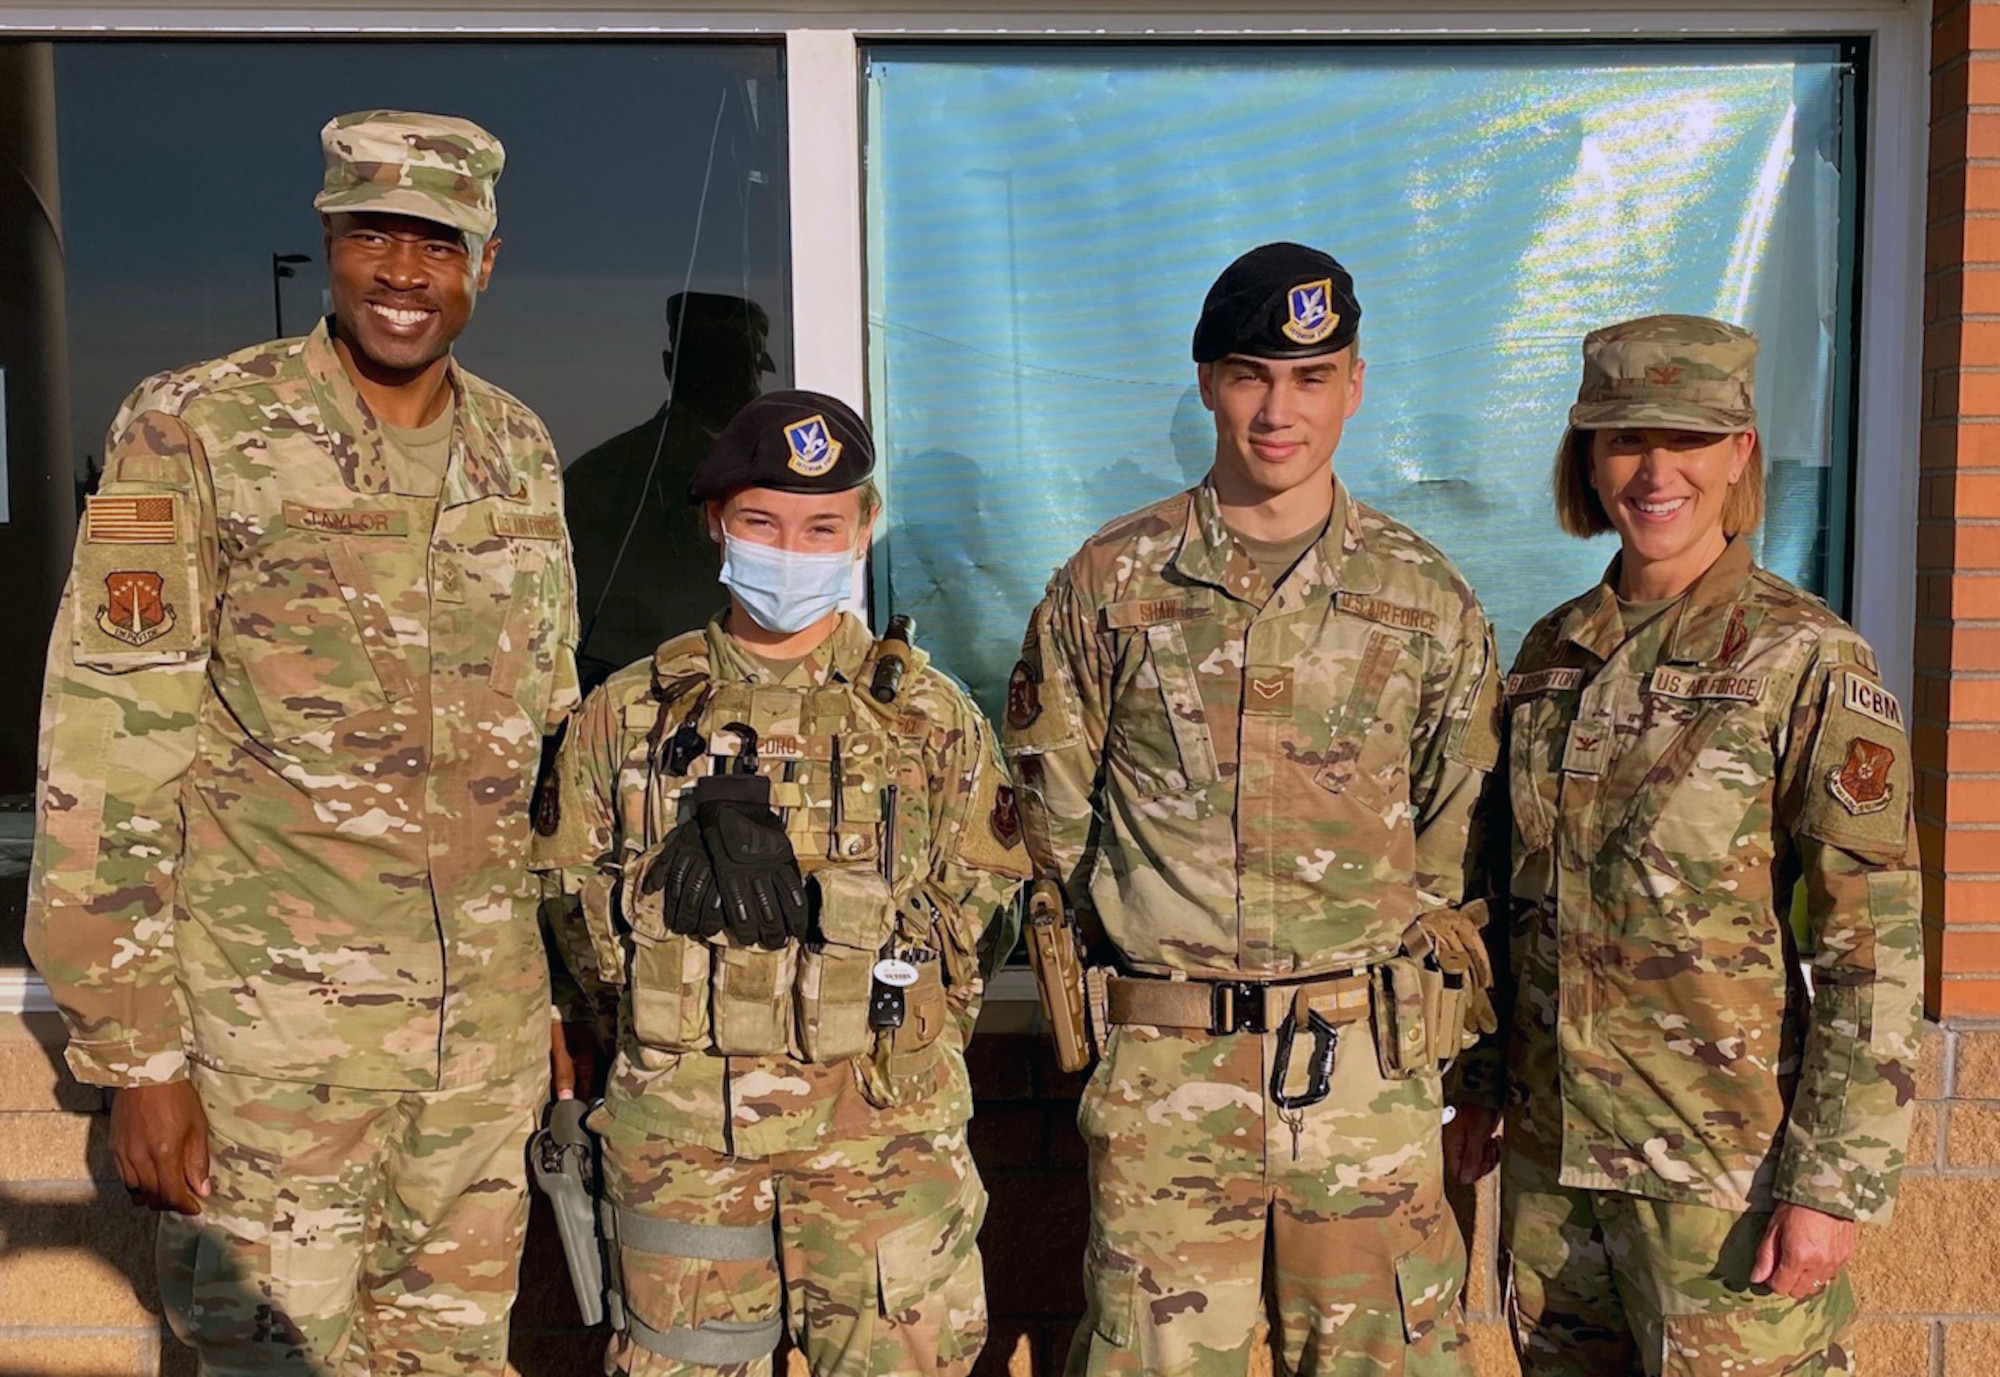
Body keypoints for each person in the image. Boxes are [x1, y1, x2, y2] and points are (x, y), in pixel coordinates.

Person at [24, 109, 578, 1375]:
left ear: (485, 262)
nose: (402, 270)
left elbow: (533, 745)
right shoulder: (197, 428)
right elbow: (109, 749)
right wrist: (135, 1057)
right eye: (372, 231)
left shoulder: (519, 453)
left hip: (478, 1055)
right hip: (277, 1053)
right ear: (327, 239)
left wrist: (544, 978)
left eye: (436, 242)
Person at [1004, 241, 1501, 1377]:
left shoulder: (1423, 599)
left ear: (1354, 385)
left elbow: (1458, 837)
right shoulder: (1110, 586)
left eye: (1311, 376)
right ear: (1207, 383)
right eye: (1248, 374)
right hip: (1167, 1079)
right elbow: (1053, 831)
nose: (1278, 410)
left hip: (1364, 1077)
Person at [1453, 315, 1922, 1376]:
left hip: (1719, 1174)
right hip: (1554, 1168)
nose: (1653, 471)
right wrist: (1478, 1084)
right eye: (1622, 440)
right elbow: (1501, 894)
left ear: (1737, 454)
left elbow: (1873, 941)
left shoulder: (1800, 656)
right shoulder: (1548, 654)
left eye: (1687, 438)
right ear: (1587, 458)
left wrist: (1829, 1183)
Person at [534, 390, 1027, 1377]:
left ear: (864, 528)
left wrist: (876, 1026)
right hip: (680, 1144)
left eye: (820, 527)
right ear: (714, 522)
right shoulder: (624, 715)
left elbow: (982, 919)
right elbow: (570, 919)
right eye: (760, 522)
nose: (789, 550)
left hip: (882, 1145)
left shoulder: (929, 720)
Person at [565, 292, 775, 690]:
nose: (744, 385)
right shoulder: (612, 476)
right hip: (634, 700)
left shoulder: (759, 474)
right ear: (671, 368)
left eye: (743, 368)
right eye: (719, 367)